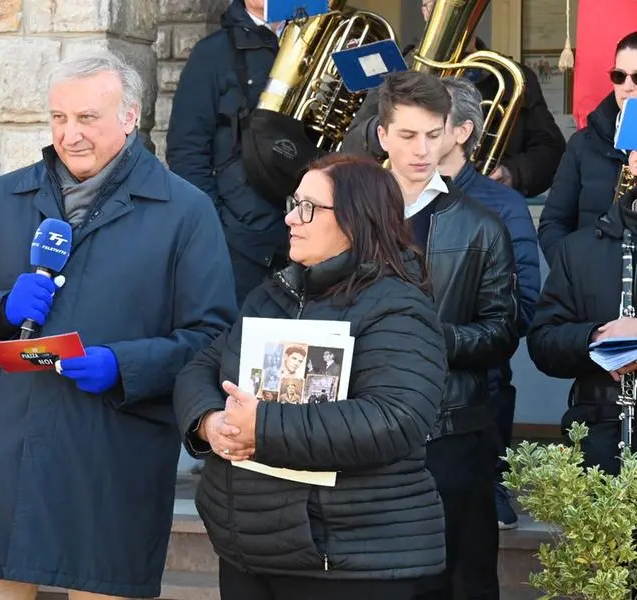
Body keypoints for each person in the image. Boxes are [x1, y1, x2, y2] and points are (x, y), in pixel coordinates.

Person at [0, 52, 238, 600]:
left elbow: (211, 337)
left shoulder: (183, 210)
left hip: (111, 455)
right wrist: (1, 309)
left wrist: (125, 365)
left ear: (129, 117)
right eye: (58, 118)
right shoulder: (6, 197)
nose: (69, 134)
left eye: (87, 118)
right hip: (9, 453)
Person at [173, 154, 449, 600]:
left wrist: (259, 428)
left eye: (308, 208)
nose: (290, 218)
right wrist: (209, 423)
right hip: (250, 548)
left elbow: (394, 419)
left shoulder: (397, 308)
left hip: (348, 560)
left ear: (356, 221)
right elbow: (201, 367)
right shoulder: (274, 293)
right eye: (293, 203)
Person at [375, 70, 519, 600]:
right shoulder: (341, 213)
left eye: (433, 135)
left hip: (451, 429)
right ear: (382, 135)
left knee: (459, 578)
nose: (422, 149)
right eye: (408, 136)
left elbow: (503, 332)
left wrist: (431, 339)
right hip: (359, 426)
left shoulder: (481, 226)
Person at [437, 77, 541, 530]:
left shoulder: (503, 204)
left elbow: (525, 302)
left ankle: (491, 485)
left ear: (461, 132)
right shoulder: (386, 197)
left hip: (476, 381)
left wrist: (458, 340)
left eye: (429, 124)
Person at [341, 0, 566, 200]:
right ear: (425, 11)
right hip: (403, 210)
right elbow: (349, 148)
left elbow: (552, 150)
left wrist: (514, 172)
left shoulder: (512, 77)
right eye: (434, 3)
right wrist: (385, 129)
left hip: (484, 210)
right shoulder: (393, 74)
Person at [166, 0, 288, 306]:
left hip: (315, 229)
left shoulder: (327, 42)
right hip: (241, 242)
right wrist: (219, 226)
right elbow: (187, 151)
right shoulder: (212, 54)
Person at [528, 150, 637, 475]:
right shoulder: (580, 249)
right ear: (634, 160)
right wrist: (597, 336)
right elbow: (543, 343)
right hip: (601, 440)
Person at [538, 31, 637, 263]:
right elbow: (553, 223)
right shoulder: (582, 144)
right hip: (591, 290)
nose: (628, 86)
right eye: (619, 76)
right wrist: (573, 275)